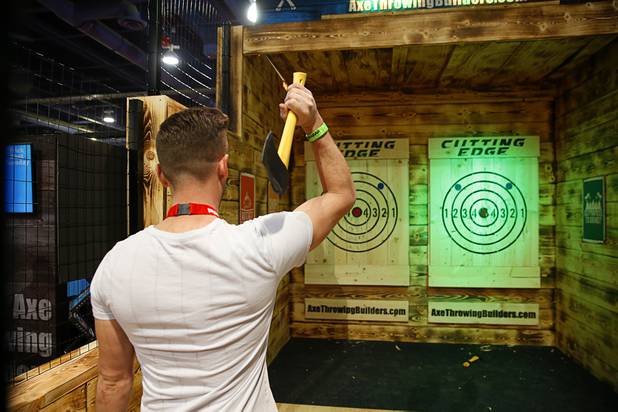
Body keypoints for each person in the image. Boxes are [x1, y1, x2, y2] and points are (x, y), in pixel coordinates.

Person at [90, 83, 355, 411]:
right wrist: (312, 123)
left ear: (160, 175)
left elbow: (113, 382)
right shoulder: (259, 247)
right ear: (223, 167)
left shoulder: (115, 263)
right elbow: (341, 194)